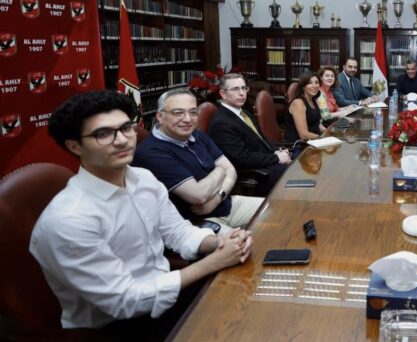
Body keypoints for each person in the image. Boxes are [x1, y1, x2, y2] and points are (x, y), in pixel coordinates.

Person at [31, 90, 252, 331]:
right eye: (103, 134)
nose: (122, 140)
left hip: (168, 290)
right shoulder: (69, 219)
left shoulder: (144, 179)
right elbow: (124, 301)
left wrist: (219, 243)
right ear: (74, 146)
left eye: (126, 128)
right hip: (116, 326)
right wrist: (212, 263)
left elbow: (178, 231)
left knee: (251, 297)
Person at [133, 88, 263, 235]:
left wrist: (216, 199)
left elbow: (231, 170)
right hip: (194, 223)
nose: (187, 119)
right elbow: (198, 195)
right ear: (160, 116)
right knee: (244, 243)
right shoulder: (151, 152)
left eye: (193, 112)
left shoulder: (197, 135)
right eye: (178, 113)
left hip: (225, 203)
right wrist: (220, 170)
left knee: (279, 209)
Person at [207, 73, 291, 190]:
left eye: (244, 88)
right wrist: (276, 158)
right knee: (296, 173)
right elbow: (242, 158)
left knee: (301, 161)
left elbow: (261, 138)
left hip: (265, 160)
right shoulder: (221, 123)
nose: (242, 93)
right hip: (255, 172)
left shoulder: (244, 112)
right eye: (235, 89)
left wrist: (277, 150)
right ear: (223, 94)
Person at [285, 71, 326, 155]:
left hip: (313, 141)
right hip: (299, 146)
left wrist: (329, 133)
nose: (314, 86)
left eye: (316, 82)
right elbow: (303, 135)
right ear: (303, 86)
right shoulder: (298, 103)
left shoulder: (313, 99)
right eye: (310, 83)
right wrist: (323, 138)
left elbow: (317, 123)